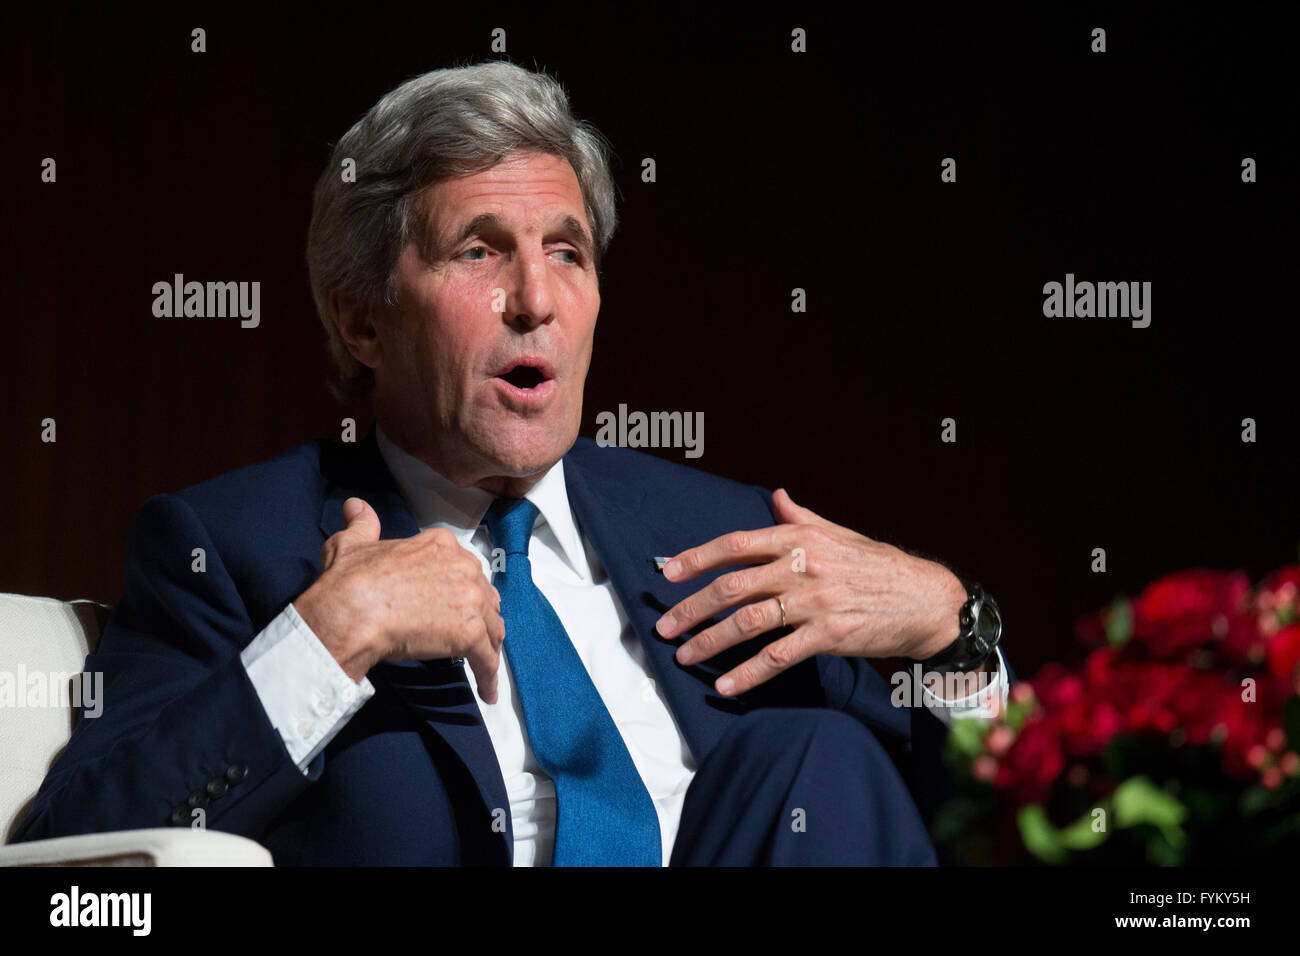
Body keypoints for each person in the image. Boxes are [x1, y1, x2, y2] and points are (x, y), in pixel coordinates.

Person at [11, 60, 1011, 865]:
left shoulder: (727, 535)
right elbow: (72, 866)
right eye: (478, 252)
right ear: (363, 318)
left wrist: (950, 629)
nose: (536, 298)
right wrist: (331, 634)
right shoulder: (235, 547)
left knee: (816, 751)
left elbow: (945, 823)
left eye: (568, 252)